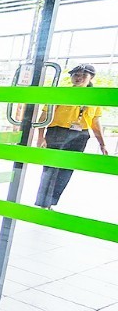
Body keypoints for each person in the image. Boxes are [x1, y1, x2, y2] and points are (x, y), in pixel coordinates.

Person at [34, 63, 108, 209]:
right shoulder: (62, 93)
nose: (78, 78)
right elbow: (45, 115)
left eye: (83, 75)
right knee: (51, 168)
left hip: (81, 135)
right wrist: (40, 136)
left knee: (67, 169)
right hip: (57, 131)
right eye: (76, 75)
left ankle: (51, 202)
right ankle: (43, 203)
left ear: (91, 78)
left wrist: (102, 143)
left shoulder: (95, 97)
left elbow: (95, 121)